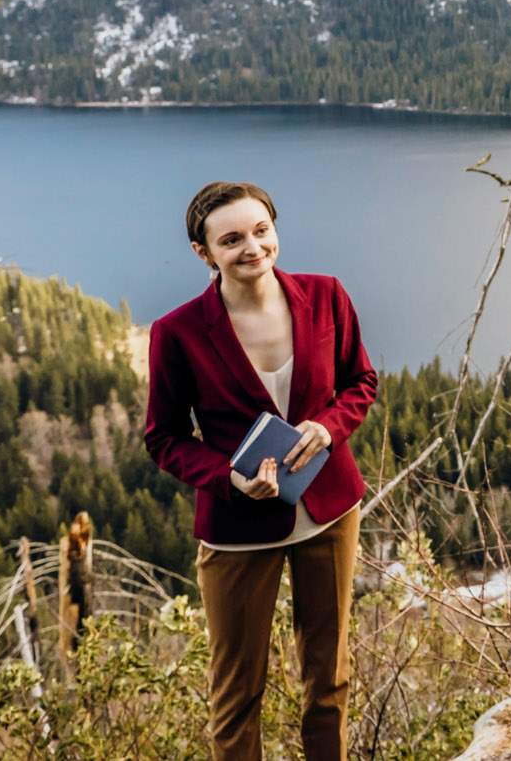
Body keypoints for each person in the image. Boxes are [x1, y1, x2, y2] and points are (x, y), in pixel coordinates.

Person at [143, 181, 378, 761]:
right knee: (237, 694)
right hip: (236, 529)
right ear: (204, 253)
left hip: (330, 510)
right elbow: (164, 439)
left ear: (274, 228)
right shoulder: (176, 333)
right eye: (231, 239)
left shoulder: (326, 295)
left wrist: (328, 426)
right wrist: (230, 477)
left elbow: (361, 383)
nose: (252, 247)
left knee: (329, 679)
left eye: (261, 230)